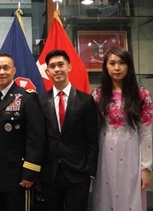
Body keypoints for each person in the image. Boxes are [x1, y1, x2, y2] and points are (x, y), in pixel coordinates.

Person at [91, 47, 153, 211]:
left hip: (131, 152)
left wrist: (146, 167)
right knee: (105, 196)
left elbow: (146, 132)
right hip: (104, 153)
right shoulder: (97, 95)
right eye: (112, 63)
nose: (116, 68)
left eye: (121, 63)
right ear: (105, 66)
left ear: (129, 66)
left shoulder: (142, 95)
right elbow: (92, 130)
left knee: (130, 196)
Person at [0, 53, 45, 210]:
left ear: (14, 70)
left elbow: (36, 138)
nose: (1, 72)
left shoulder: (27, 97)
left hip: (17, 176)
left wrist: (29, 172)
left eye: (6, 68)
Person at [39, 49, 99, 210]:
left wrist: (90, 171)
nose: (57, 69)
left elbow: (92, 139)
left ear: (69, 67)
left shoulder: (86, 101)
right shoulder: (39, 101)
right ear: (47, 71)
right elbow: (37, 139)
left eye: (61, 65)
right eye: (52, 66)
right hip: (49, 174)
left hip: (78, 173)